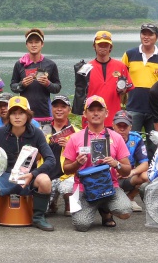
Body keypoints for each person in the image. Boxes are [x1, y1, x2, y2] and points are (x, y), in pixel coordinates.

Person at [0, 96, 57, 232]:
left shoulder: (37, 133)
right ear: (8, 115)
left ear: (28, 115)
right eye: (13, 113)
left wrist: (33, 174)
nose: (17, 117)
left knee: (45, 180)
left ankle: (38, 217)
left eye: (21, 113)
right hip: (5, 176)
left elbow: (51, 160)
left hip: (28, 177)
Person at [62, 95, 132, 232]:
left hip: (110, 187)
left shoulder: (116, 137)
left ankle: (104, 209)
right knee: (81, 225)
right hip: (84, 188)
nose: (95, 113)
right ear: (85, 114)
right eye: (91, 109)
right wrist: (77, 163)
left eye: (99, 110)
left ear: (106, 113)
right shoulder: (75, 138)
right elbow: (66, 169)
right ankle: (97, 207)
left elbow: (127, 170)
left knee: (125, 211)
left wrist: (116, 163)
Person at [121, 23, 158, 158]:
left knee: (154, 144)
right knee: (130, 142)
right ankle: (130, 173)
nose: (146, 37)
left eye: (150, 34)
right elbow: (121, 78)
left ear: (157, 37)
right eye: (144, 33)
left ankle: (153, 173)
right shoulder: (129, 54)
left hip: (155, 110)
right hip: (133, 107)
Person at [78, 31, 133, 128]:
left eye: (106, 45)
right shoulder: (86, 68)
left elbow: (128, 89)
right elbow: (80, 94)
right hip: (92, 120)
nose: (102, 47)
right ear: (94, 46)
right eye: (100, 44)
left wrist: (123, 91)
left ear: (110, 47)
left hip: (114, 119)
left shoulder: (121, 66)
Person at [10, 28, 61, 131]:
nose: (34, 45)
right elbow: (13, 86)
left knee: (45, 143)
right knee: (26, 146)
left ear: (42, 44)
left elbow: (57, 87)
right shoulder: (20, 64)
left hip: (45, 114)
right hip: (25, 114)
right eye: (30, 42)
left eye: (37, 42)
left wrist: (48, 84)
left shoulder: (50, 64)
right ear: (26, 45)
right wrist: (22, 84)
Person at [110, 110, 148, 213]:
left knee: (147, 175)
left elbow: (145, 163)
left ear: (130, 127)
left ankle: (130, 198)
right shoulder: (105, 137)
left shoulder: (136, 139)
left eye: (125, 126)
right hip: (110, 176)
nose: (122, 129)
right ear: (113, 125)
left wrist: (130, 172)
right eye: (119, 125)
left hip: (128, 175)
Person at [46, 95, 76, 215]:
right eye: (55, 106)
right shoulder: (43, 130)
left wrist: (70, 145)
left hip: (68, 175)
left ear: (69, 110)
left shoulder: (76, 131)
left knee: (68, 187)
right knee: (42, 211)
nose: (59, 109)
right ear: (51, 108)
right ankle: (52, 202)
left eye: (63, 106)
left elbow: (84, 158)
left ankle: (69, 203)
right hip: (47, 175)